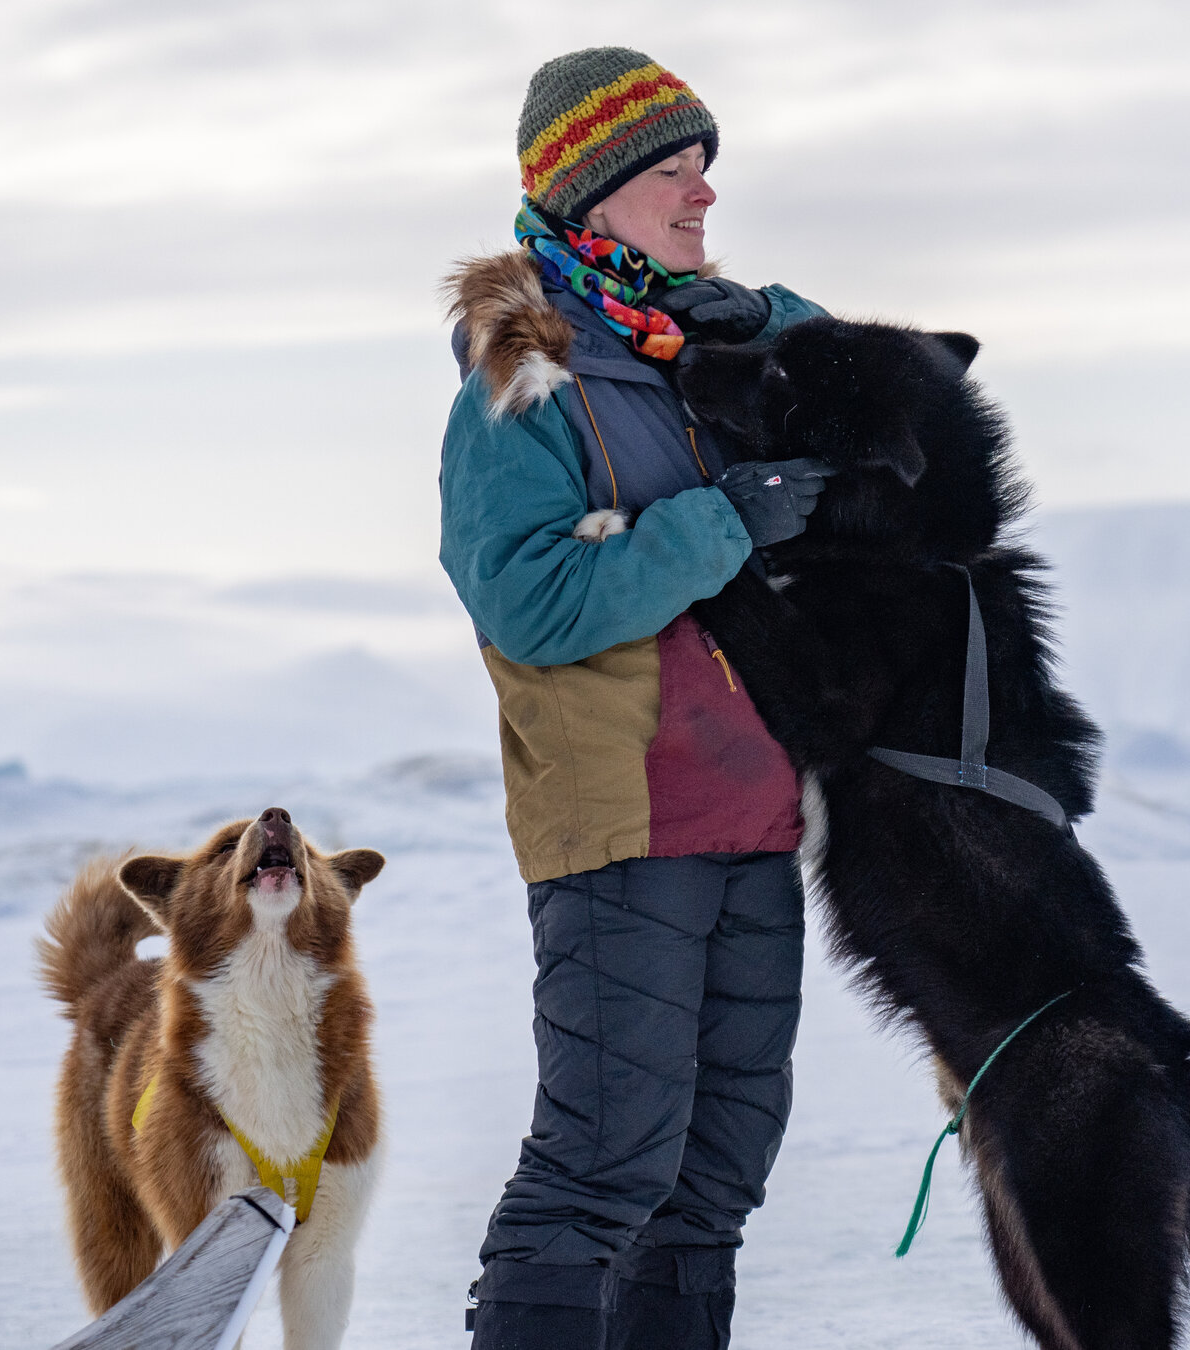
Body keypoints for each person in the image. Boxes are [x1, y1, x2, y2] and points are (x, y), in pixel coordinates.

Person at [436, 47, 836, 1350]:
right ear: (593, 192)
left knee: (714, 1175)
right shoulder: (527, 370)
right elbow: (531, 601)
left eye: (707, 166)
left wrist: (773, 324)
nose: (704, 194)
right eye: (672, 170)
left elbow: (866, 381)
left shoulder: (700, 347)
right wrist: (724, 518)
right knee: (604, 1161)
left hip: (755, 811)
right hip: (625, 822)